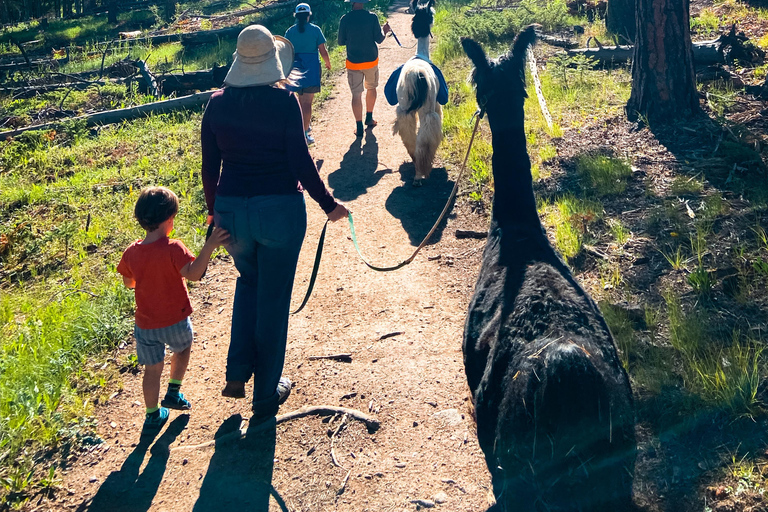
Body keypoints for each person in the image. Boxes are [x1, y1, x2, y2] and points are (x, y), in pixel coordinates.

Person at [200, 25, 349, 424]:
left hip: (232, 211)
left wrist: (215, 214)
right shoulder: (285, 103)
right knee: (274, 295)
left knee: (248, 281)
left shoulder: (215, 105)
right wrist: (329, 205)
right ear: (272, 62)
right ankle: (266, 392)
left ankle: (237, 371)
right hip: (278, 210)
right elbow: (300, 162)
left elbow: (208, 169)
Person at [117, 186, 230, 432]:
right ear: (168, 220)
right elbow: (193, 274)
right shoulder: (174, 248)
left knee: (152, 370)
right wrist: (209, 246)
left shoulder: (131, 252)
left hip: (145, 325)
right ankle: (174, 391)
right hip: (174, 321)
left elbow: (129, 282)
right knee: (182, 348)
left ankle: (152, 416)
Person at [338, 0, 391, 137]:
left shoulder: (345, 19)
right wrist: (385, 31)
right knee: (371, 88)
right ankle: (369, 117)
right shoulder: (372, 17)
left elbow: (340, 42)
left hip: (353, 62)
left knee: (356, 94)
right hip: (370, 61)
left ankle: (359, 126)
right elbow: (379, 39)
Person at [285, 2, 331, 145]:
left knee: (299, 101)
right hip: (311, 68)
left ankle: (302, 127)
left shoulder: (290, 31)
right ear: (308, 16)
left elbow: (285, 51)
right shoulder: (315, 30)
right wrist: (327, 62)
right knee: (307, 103)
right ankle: (304, 134)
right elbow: (323, 50)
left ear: (296, 16)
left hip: (295, 68)